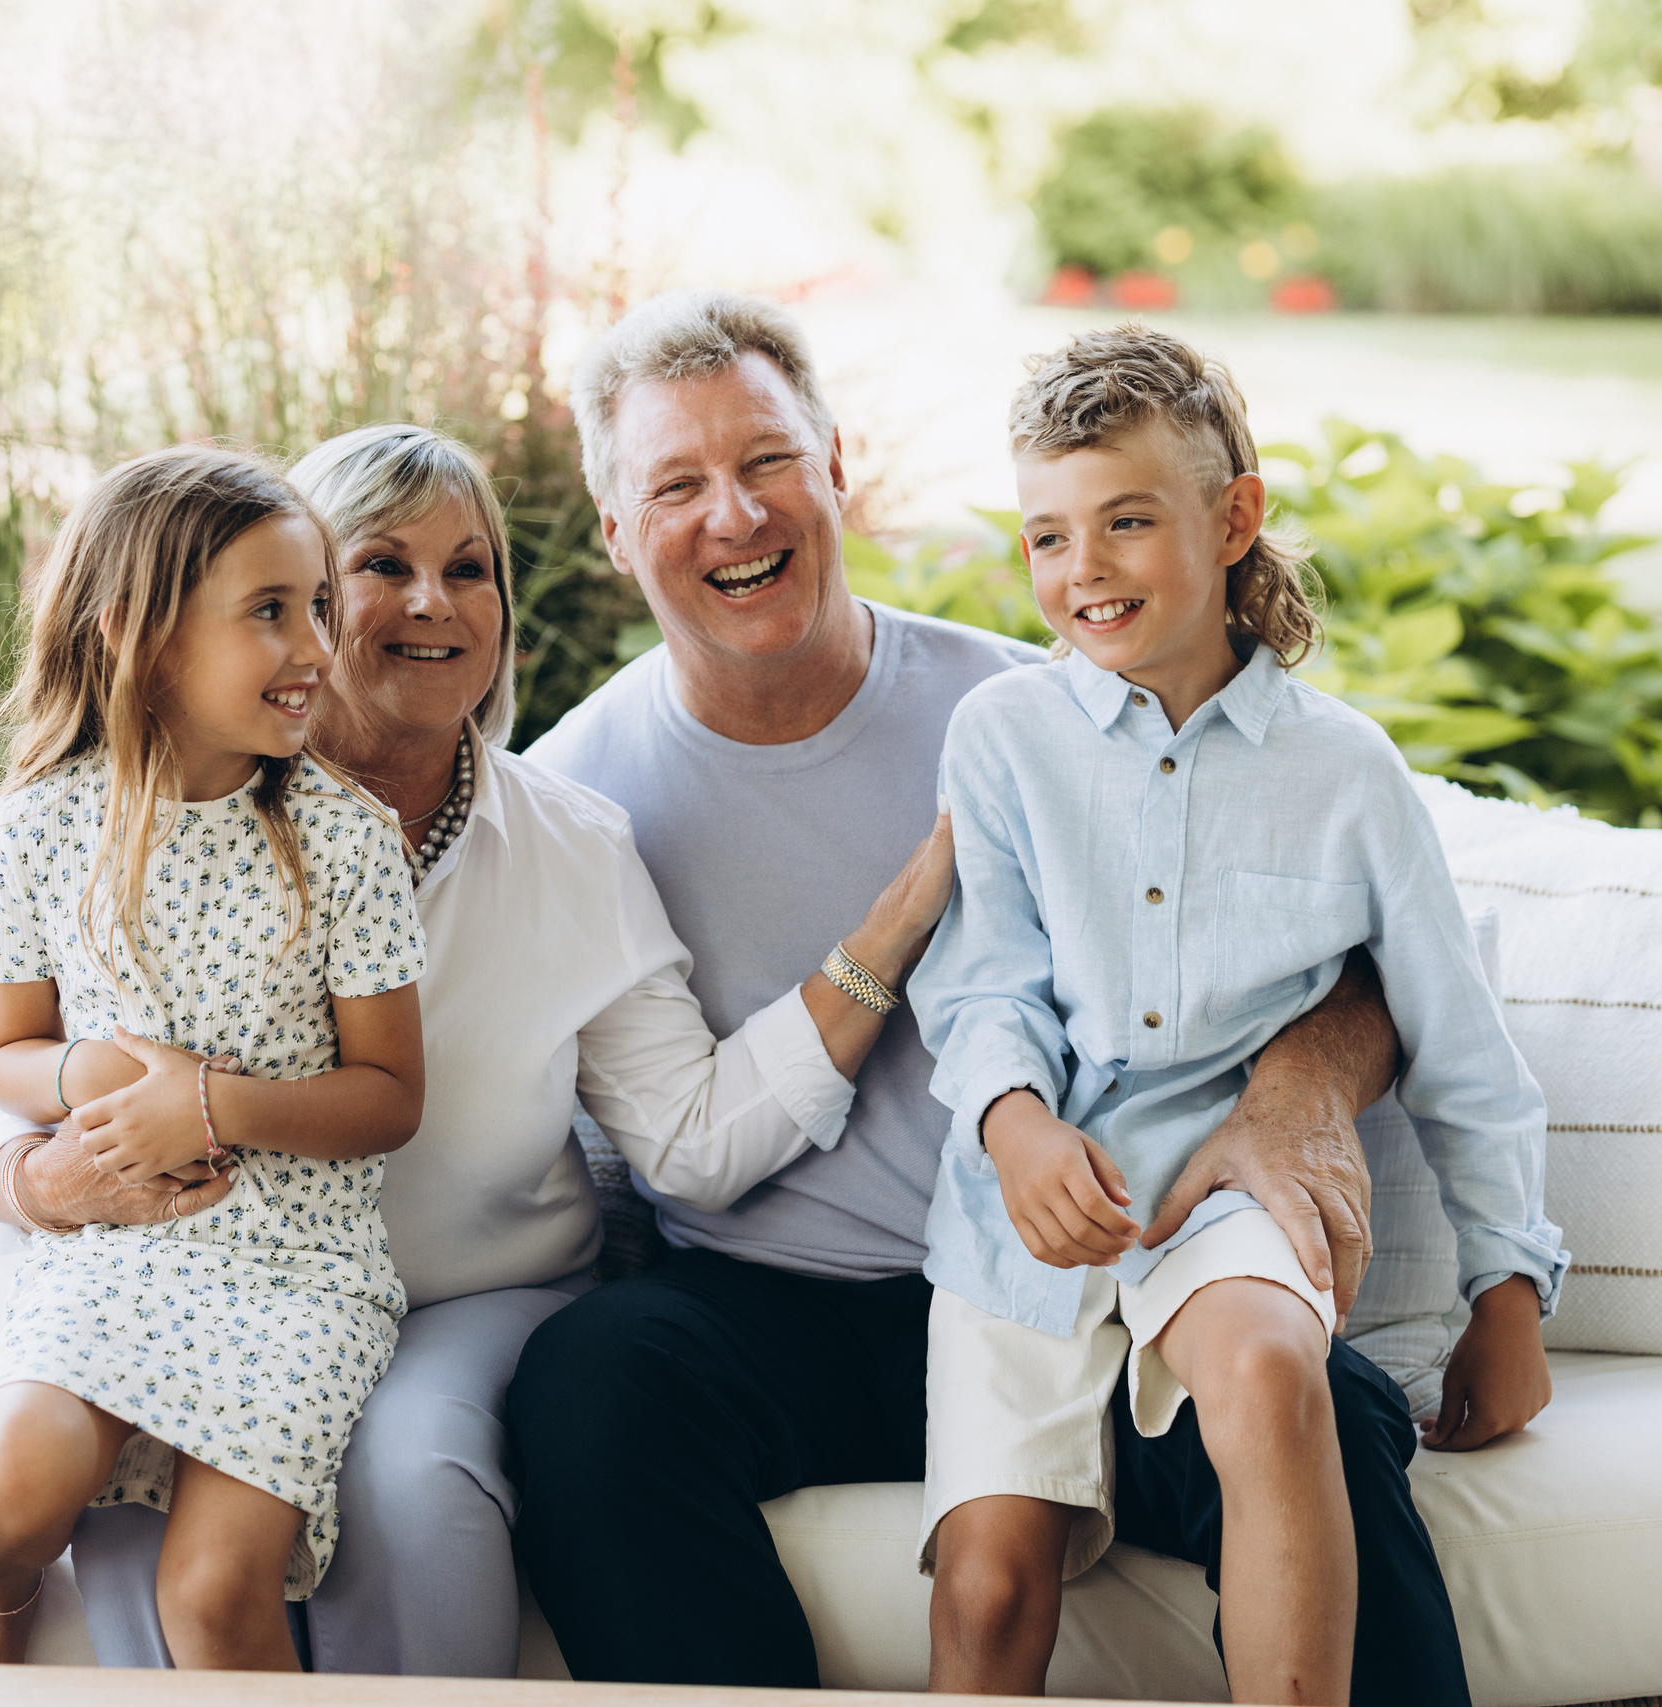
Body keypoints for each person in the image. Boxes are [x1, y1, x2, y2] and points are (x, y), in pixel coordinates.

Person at [0, 422, 958, 1674]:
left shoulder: (572, 843)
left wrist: (886, 938)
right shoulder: (133, 809)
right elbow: (4, 1068)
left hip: (468, 1292)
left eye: (469, 570)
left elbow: (691, 1142)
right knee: (122, 1509)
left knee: (409, 1476)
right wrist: (33, 1180)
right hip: (189, 1268)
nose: (433, 602)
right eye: (381, 566)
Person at [505, 289, 1402, 1688]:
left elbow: (1363, 939)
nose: (735, 514)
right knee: (587, 1387)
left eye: (768, 460)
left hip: (1079, 1280)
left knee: (1327, 1409)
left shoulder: (1036, 706)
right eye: (676, 486)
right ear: (618, 534)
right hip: (773, 1305)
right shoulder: (572, 798)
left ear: (835, 468)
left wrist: (1299, 1091)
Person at [911, 326, 1568, 1705]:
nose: (1082, 568)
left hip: (1227, 1186)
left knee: (1273, 1374)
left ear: (1233, 518)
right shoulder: (1002, 737)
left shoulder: (1346, 771)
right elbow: (982, 980)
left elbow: (1457, 1039)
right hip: (1030, 1205)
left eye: (1126, 520)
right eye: (1047, 535)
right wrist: (1015, 1127)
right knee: (989, 1582)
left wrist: (1506, 1292)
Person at [0, 446, 429, 1671]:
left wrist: (206, 1104)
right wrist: (85, 1079)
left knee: (208, 1596)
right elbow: (5, 1056)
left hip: (298, 1267)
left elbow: (390, 1099)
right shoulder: (36, 828)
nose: (316, 646)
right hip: (115, 1248)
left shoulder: (347, 841)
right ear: (137, 637)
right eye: (270, 611)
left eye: (318, 604)